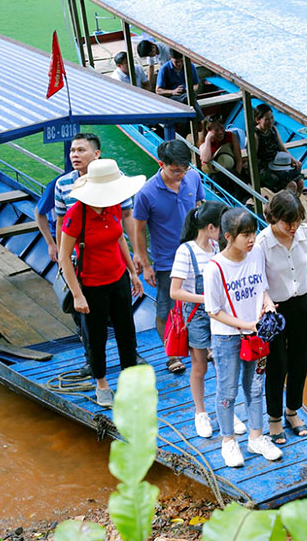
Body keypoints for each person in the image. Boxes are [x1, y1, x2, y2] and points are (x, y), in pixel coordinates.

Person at [58, 159, 145, 407]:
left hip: (118, 279)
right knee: (96, 336)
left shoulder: (113, 207)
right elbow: (64, 256)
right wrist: (77, 294)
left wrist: (132, 272)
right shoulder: (77, 215)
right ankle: (102, 383)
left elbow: (120, 240)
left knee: (126, 331)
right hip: (92, 285)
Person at [203, 207, 282, 467]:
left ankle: (256, 437)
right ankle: (228, 441)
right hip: (228, 338)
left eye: (253, 233)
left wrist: (267, 304)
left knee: (255, 387)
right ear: (228, 236)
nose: (251, 239)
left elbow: (262, 288)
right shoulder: (215, 268)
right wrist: (247, 324)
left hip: (256, 334)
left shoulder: (256, 253)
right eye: (245, 234)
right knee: (227, 390)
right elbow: (213, 311)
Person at [256, 191, 307, 445]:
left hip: (302, 302)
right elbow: (259, 283)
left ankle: (293, 411)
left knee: (300, 361)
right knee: (277, 363)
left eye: (297, 221)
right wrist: (267, 304)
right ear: (273, 218)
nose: (293, 228)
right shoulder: (262, 243)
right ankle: (274, 418)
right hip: (275, 309)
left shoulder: (306, 233)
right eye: (287, 223)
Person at [169, 201, 249, 438]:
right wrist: (205, 299)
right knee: (200, 365)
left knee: (224, 365)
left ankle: (225, 410)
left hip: (220, 314)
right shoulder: (186, 251)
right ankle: (200, 412)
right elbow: (175, 291)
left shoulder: (216, 247)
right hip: (197, 315)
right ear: (211, 226)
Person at [134, 140, 205, 374]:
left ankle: (201, 345)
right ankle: (172, 353)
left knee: (198, 302)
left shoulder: (192, 178)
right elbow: (139, 229)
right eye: (175, 170)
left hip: (195, 255)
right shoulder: (147, 193)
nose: (181, 175)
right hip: (167, 260)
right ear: (161, 163)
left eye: (184, 170)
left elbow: (200, 208)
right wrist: (145, 263)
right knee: (166, 308)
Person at [253, 103, 303, 194]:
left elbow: (282, 148)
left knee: (300, 183)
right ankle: (289, 204)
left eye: (271, 118)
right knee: (292, 185)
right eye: (267, 119)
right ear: (257, 120)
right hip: (264, 167)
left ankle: (294, 204)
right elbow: (254, 158)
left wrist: (293, 160)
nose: (270, 121)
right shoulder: (255, 135)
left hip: (278, 163)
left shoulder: (273, 129)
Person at [199, 114, 244, 199]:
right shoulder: (204, 145)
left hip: (233, 171)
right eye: (216, 130)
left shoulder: (231, 136)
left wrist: (236, 178)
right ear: (209, 131)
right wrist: (208, 139)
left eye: (222, 128)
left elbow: (239, 160)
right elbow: (206, 159)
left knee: (239, 176)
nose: (220, 132)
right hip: (217, 175)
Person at [155, 49, 205, 121]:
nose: (179, 64)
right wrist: (173, 91)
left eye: (181, 61)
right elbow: (158, 90)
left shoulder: (190, 66)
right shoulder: (164, 69)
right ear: (170, 58)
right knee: (189, 100)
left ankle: (193, 124)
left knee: (189, 99)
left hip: (187, 95)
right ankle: (201, 120)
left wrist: (189, 90)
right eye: (176, 62)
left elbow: (196, 84)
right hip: (172, 98)